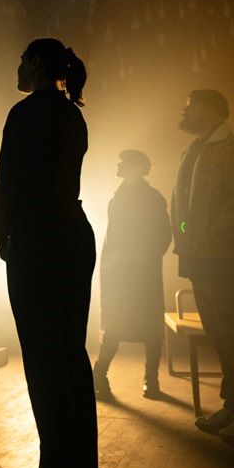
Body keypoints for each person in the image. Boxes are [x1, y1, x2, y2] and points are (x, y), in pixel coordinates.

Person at [0, 38, 98, 468]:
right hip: (74, 233)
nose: (16, 67)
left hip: (37, 239)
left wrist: (3, 239)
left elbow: (8, 183)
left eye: (21, 59)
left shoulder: (24, 113)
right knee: (71, 353)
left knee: (42, 358)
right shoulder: (73, 114)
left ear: (35, 64)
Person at [171, 89, 234, 441]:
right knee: (220, 334)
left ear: (211, 109)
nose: (184, 109)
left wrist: (205, 237)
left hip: (225, 259)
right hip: (200, 258)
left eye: (190, 104)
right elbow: (185, 207)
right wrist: (187, 236)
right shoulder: (196, 148)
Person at [93, 149, 172, 401]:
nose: (119, 165)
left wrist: (147, 258)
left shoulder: (151, 198)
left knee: (147, 327)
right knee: (116, 325)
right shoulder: (120, 197)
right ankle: (100, 375)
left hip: (140, 273)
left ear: (137, 168)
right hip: (121, 272)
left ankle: (149, 378)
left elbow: (165, 232)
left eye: (124, 163)